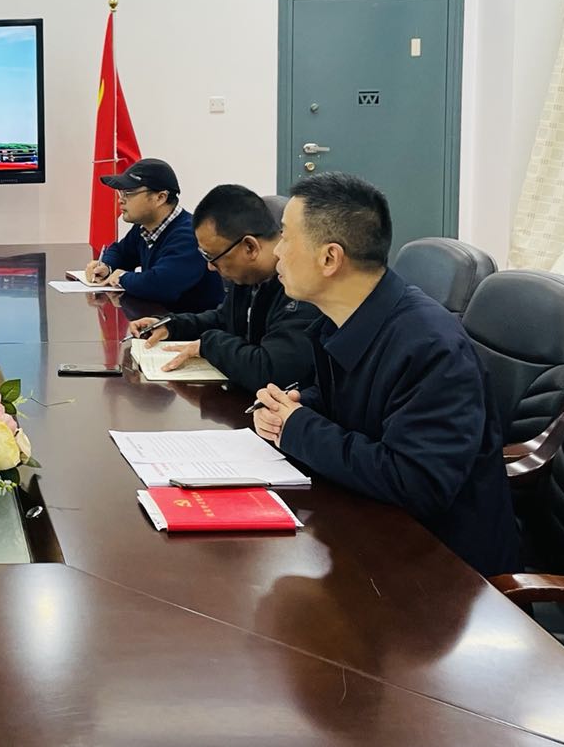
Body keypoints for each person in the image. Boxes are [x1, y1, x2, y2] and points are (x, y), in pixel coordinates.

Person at [251, 172, 519, 575]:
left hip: (444, 571)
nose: (277, 252)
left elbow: (416, 482)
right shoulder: (347, 319)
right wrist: (295, 407)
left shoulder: (431, 347)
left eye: (286, 237)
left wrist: (299, 427)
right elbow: (361, 406)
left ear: (330, 258)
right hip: (375, 531)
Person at [131, 184, 318, 392]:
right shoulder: (249, 277)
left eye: (213, 257)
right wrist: (173, 326)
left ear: (250, 247)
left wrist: (209, 344)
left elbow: (272, 372)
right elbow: (224, 319)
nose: (210, 267)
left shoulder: (301, 288)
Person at [84, 158, 223, 313]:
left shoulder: (189, 235)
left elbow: (161, 285)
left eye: (129, 193)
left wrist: (122, 278)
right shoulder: (144, 226)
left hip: (193, 325)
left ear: (160, 197)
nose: (120, 200)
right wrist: (106, 267)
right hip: (161, 319)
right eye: (121, 193)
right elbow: (121, 252)